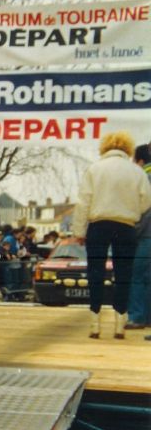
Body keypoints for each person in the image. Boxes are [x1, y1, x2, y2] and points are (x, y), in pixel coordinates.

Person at [72, 132, 151, 339]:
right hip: (126, 226)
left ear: (104, 148)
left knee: (95, 274)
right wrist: (131, 212)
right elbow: (146, 202)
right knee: (124, 275)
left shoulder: (94, 169)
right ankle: (119, 322)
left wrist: (79, 231)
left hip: (98, 225)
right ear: (128, 148)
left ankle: (95, 322)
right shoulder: (137, 172)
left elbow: (83, 202)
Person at [127, 143, 151, 330]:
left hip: (146, 236)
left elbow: (144, 212)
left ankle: (137, 316)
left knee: (138, 276)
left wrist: (132, 232)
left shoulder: (145, 178)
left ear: (140, 161)